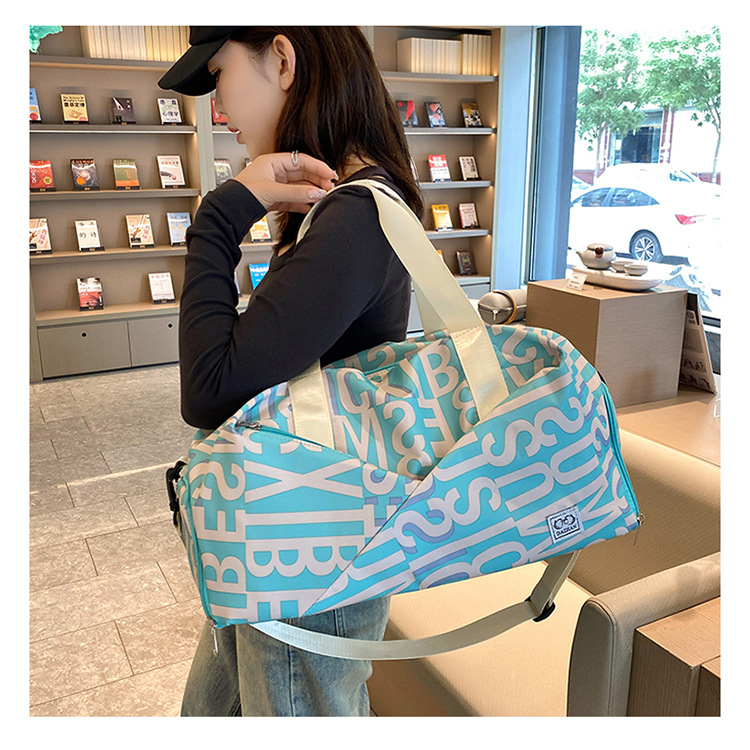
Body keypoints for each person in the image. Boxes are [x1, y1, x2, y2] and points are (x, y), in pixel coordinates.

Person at [158, 26, 423, 717]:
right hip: (285, 532)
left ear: (282, 59)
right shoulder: (344, 206)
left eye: (218, 74)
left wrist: (219, 219)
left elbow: (209, 388)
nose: (218, 106)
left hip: (312, 550)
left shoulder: (358, 216)